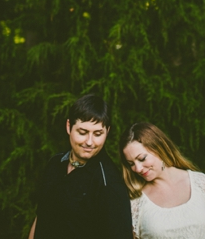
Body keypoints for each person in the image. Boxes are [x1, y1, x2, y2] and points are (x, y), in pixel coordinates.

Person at [28, 94, 133, 239]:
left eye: (98, 134)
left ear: (107, 132)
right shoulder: (55, 163)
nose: (89, 142)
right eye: (82, 132)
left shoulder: (108, 182)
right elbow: (41, 215)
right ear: (68, 127)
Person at [119, 122, 205, 239]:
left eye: (142, 158)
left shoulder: (200, 182)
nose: (137, 168)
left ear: (159, 147)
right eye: (131, 164)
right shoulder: (135, 200)